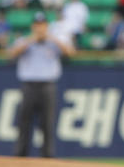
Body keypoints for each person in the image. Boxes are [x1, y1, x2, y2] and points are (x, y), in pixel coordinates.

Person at [8, 12, 75, 157]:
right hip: (29, 85)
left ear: (46, 26)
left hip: (47, 85)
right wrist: (33, 38)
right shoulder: (24, 41)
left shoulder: (54, 41)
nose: (40, 28)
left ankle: (47, 156)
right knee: (24, 122)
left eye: (42, 25)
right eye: (37, 25)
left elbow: (70, 52)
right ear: (33, 26)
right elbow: (12, 54)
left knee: (47, 123)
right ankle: (20, 155)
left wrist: (51, 37)